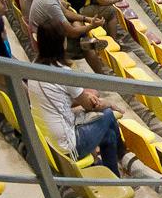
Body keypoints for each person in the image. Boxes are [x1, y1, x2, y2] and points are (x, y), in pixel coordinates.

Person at [29, 25, 123, 172]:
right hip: (67, 145)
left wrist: (88, 98)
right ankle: (123, 156)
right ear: (62, 43)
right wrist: (109, 103)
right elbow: (90, 106)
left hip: (49, 138)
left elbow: (64, 98)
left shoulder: (34, 65)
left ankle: (113, 174)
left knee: (109, 134)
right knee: (109, 114)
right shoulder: (63, 72)